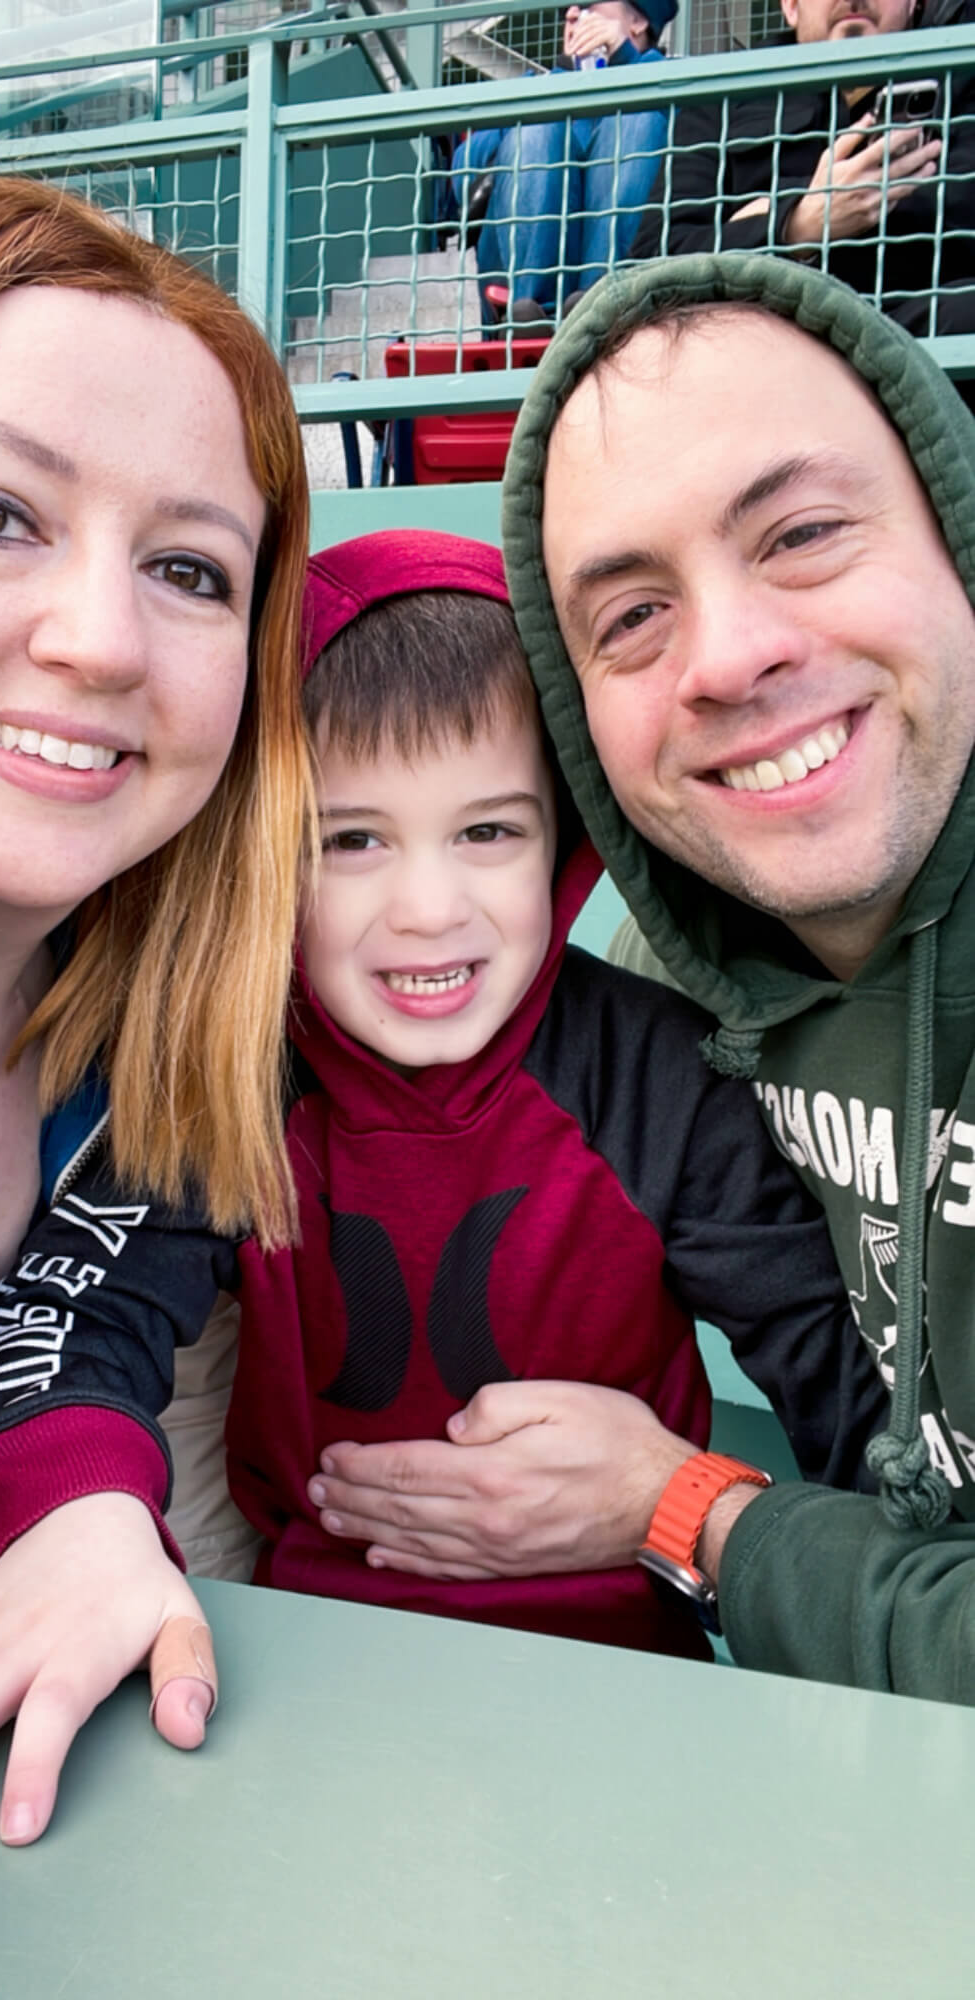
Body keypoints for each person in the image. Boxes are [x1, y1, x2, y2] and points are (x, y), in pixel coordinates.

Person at [0, 533, 882, 1678]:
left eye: (488, 830)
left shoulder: (662, 1081)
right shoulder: (232, 1074)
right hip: (304, 1658)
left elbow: (851, 1395)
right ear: (262, 855)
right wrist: (75, 1515)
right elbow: (74, 1322)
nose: (429, 909)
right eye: (350, 840)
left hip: (632, 1668)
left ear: (562, 845)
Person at [0, 175, 311, 1853]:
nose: (102, 640)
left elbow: (80, 1329)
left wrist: (88, 1519)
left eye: (192, 568)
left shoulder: (165, 1062)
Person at [492, 249, 975, 1702]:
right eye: (629, 616)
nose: (728, 657)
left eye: (805, 533)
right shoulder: (674, 998)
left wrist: (690, 1512)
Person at [632, 0, 975, 348]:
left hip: (918, 330)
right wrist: (797, 223)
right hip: (765, 339)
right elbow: (655, 257)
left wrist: (763, 213)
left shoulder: (961, 74)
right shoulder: (724, 92)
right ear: (791, 6)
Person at [452, 1, 676, 328]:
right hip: (519, 297)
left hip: (633, 294)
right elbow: (461, 176)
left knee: (638, 118)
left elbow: (695, 149)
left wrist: (625, 61)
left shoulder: (674, 81)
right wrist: (554, 86)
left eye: (589, 4)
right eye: (567, 8)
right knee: (536, 124)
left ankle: (604, 302)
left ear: (638, 21)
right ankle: (533, 315)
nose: (572, 13)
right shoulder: (533, 87)